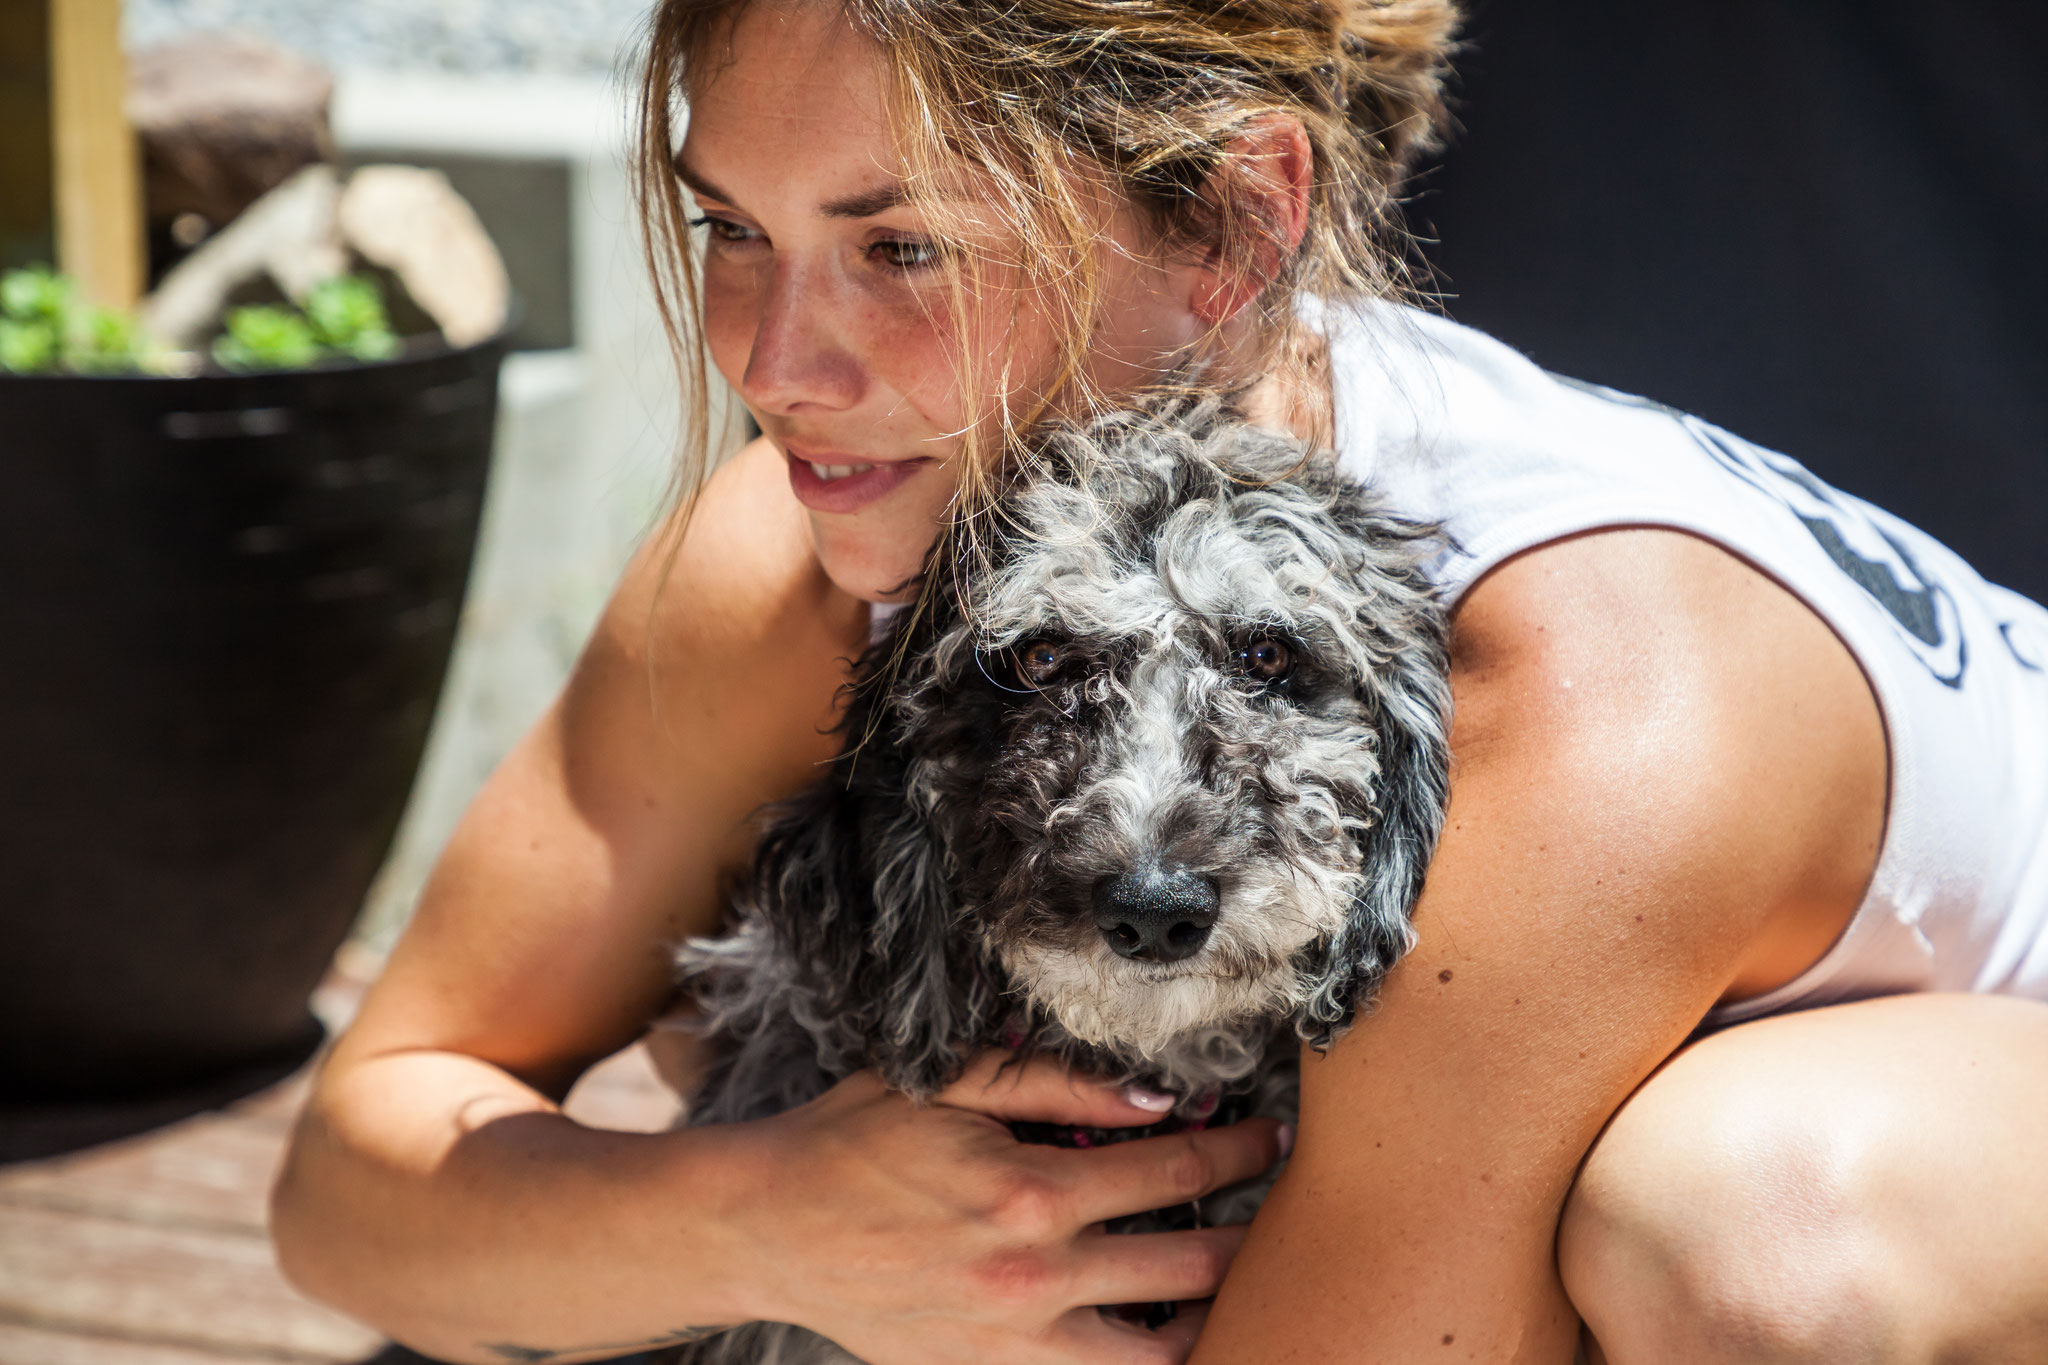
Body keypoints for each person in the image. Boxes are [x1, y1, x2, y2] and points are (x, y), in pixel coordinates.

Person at [269, 0, 2048, 1360]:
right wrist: (760, 1214)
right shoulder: (825, 526)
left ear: (1232, 229)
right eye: (733, 226)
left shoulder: (1569, 695)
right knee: (743, 992)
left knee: (1744, 1228)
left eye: (902, 248)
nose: (777, 362)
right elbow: (354, 1185)